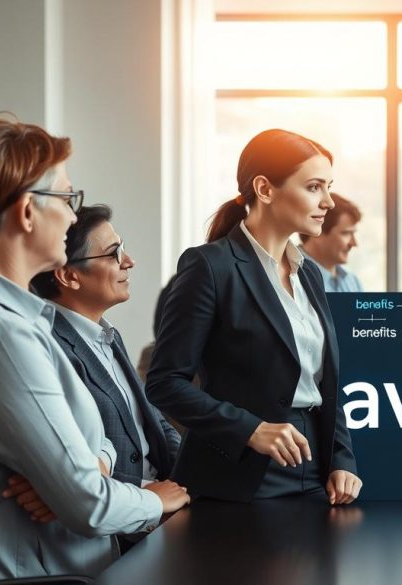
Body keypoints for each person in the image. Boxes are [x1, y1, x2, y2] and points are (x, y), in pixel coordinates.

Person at [0, 116, 189, 580]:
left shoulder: (20, 321)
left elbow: (98, 445)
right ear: (27, 212)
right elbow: (87, 502)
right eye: (67, 199)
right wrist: (153, 498)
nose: (73, 216)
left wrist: (91, 466)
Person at [146, 129, 362, 504]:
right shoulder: (210, 266)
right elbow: (165, 383)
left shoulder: (309, 273)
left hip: (315, 471)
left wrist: (341, 459)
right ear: (264, 189)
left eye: (328, 187)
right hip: (238, 474)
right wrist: (251, 429)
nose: (327, 201)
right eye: (314, 187)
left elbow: (324, 383)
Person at [30, 205, 181, 489]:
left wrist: (184, 479)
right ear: (69, 276)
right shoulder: (48, 345)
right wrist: (152, 495)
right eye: (114, 254)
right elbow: (77, 468)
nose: (129, 261)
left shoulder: (108, 335)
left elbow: (154, 421)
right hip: (127, 503)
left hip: (161, 494)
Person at [298, 192, 364, 293]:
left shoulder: (353, 282)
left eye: (353, 233)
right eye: (346, 233)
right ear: (317, 232)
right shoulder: (292, 278)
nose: (354, 243)